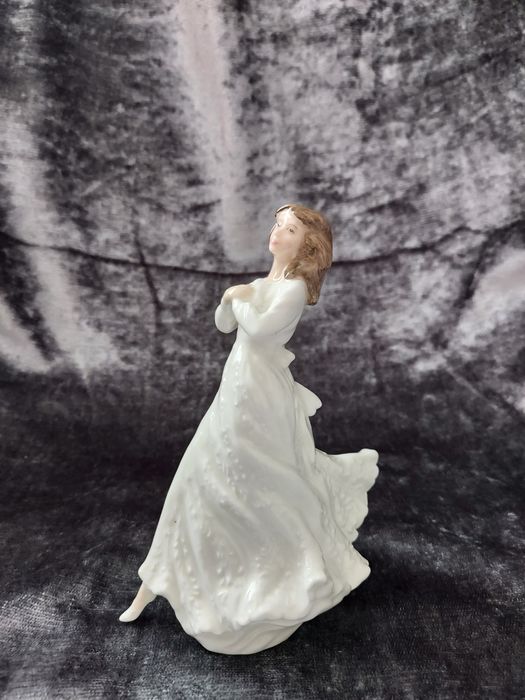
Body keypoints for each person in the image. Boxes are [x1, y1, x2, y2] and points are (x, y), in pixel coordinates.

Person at [118, 203, 380, 655]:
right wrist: (230, 299)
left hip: (260, 395)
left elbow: (257, 332)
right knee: (197, 474)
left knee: (259, 479)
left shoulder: (293, 289)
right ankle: (159, 580)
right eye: (278, 224)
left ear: (306, 244)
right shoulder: (262, 285)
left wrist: (238, 298)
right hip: (235, 390)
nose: (278, 232)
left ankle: (273, 580)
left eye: (290, 229)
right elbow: (225, 325)